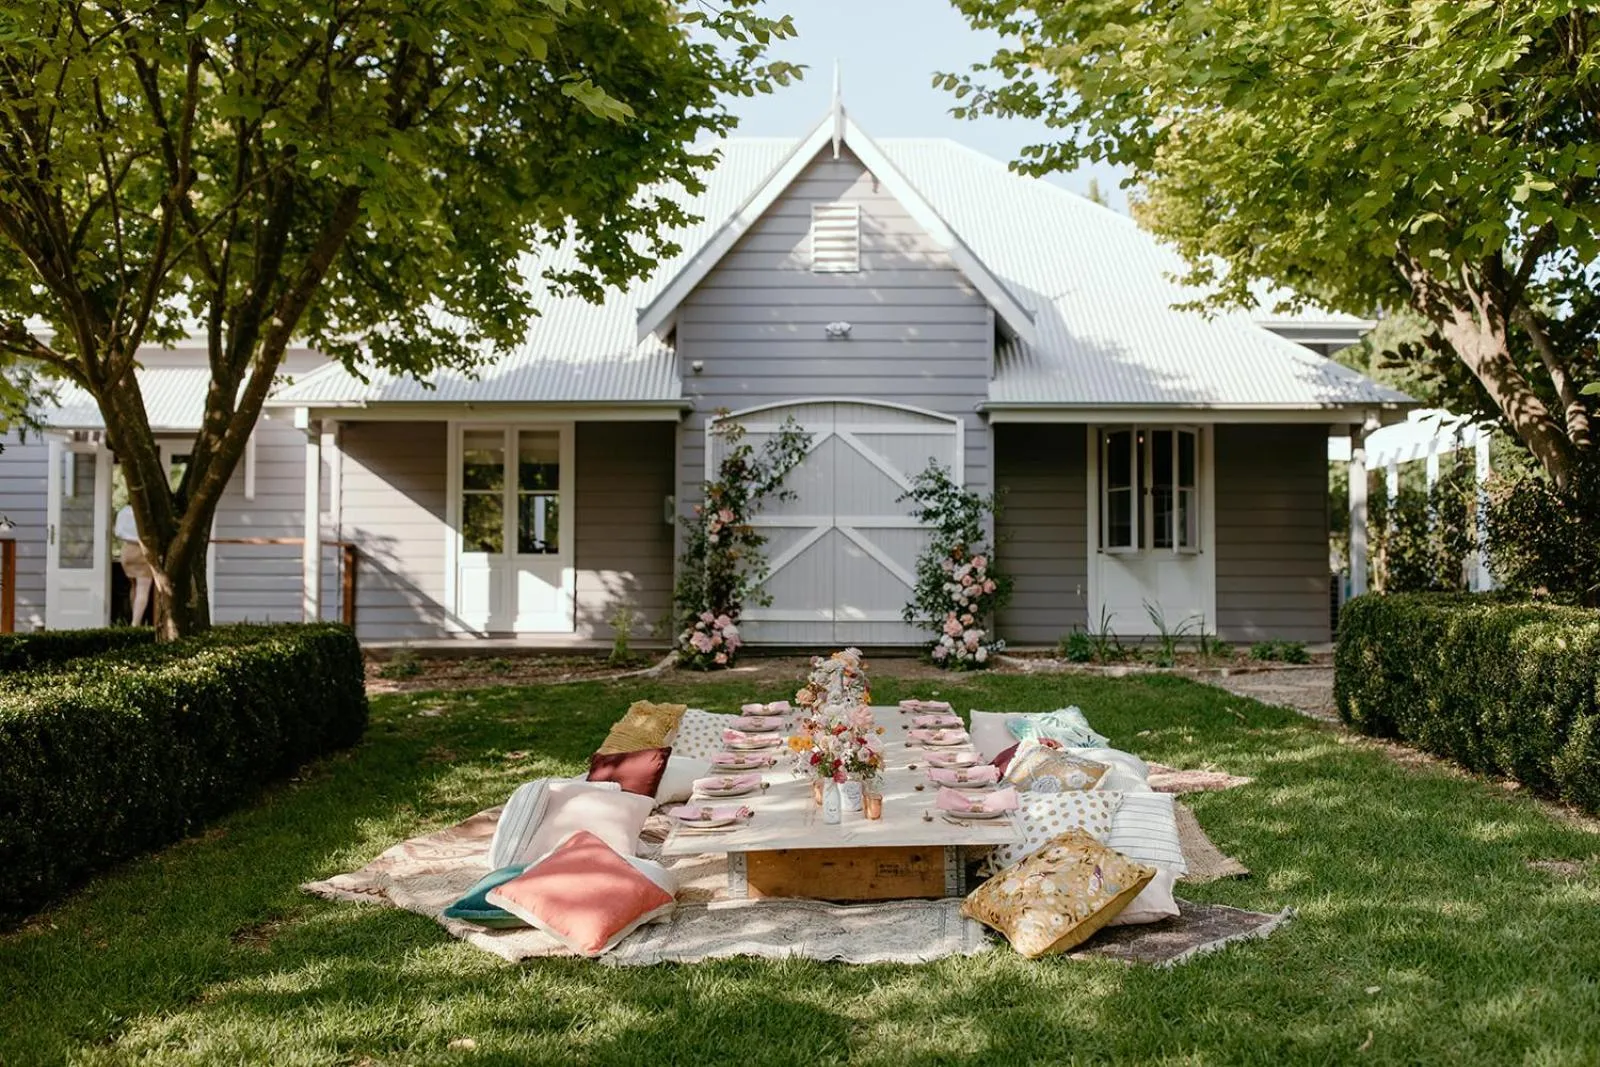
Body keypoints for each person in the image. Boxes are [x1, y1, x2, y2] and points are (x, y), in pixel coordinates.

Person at [114, 504, 153, 626]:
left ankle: (134, 616)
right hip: (142, 549)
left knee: (134, 585)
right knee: (143, 588)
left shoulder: (124, 511)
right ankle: (136, 622)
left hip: (127, 550)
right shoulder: (147, 511)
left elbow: (118, 532)